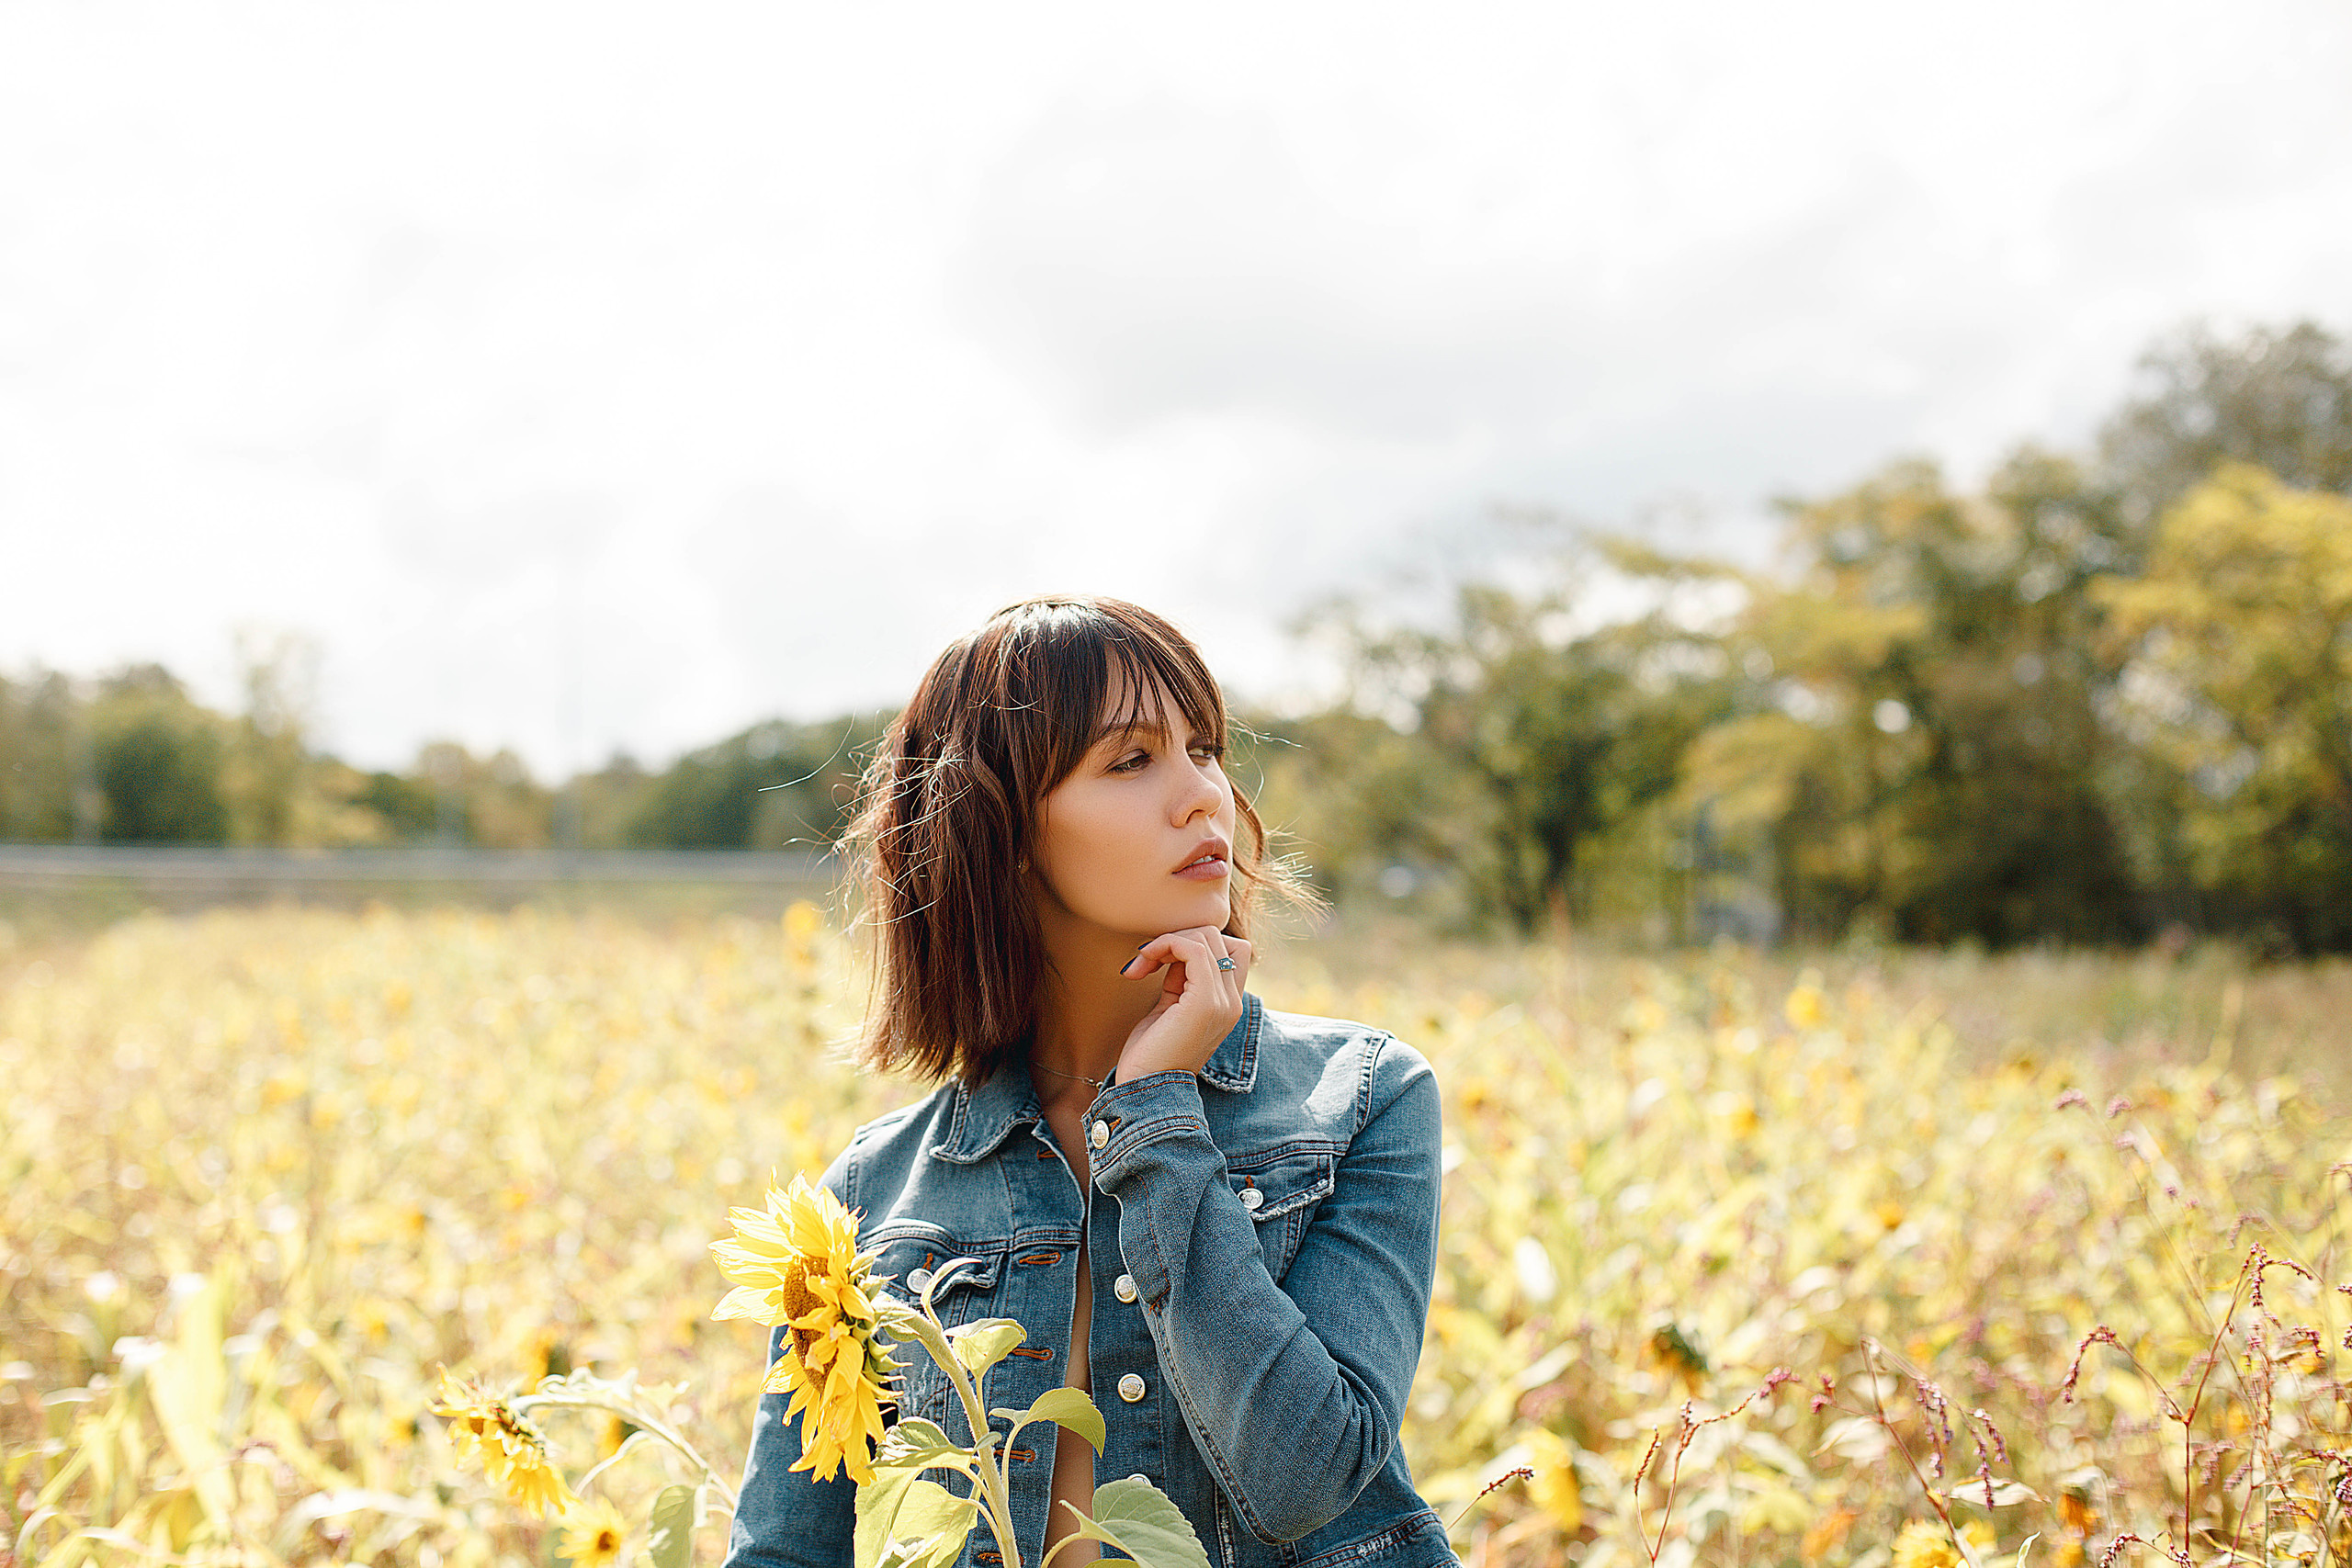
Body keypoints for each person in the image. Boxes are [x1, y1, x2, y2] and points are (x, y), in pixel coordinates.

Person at [723, 596, 1456, 1568]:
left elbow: (1303, 1479)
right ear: (1004, 830)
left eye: (1205, 748)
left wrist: (1154, 1116)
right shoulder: (869, 1199)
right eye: (1131, 760)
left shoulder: (1359, 1101)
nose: (1203, 797)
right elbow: (788, 1551)